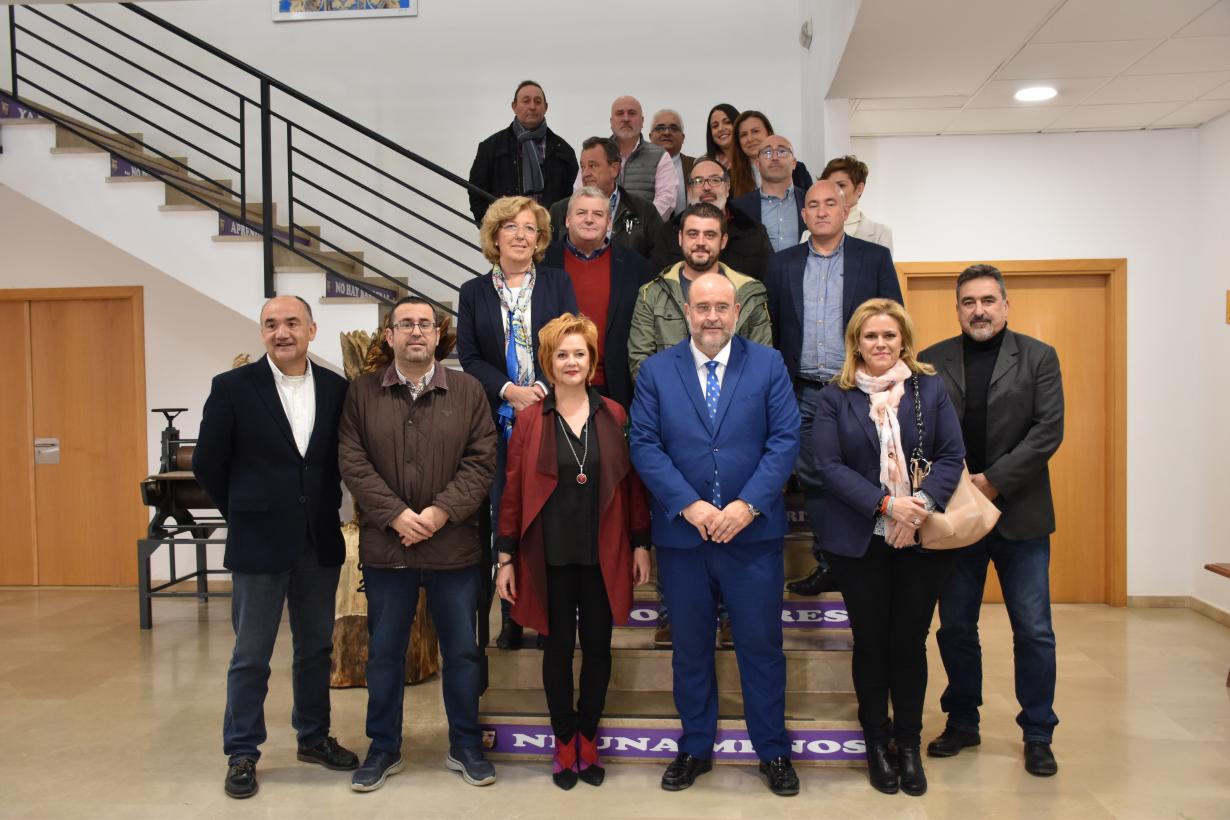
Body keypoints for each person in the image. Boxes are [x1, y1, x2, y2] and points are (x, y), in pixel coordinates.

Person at [629, 272, 801, 797]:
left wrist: (747, 506)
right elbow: (644, 444)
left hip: (752, 538)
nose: (712, 317)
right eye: (702, 307)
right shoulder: (658, 371)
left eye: (721, 307)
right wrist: (691, 506)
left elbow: (785, 439)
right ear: (686, 312)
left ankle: (772, 751)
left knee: (761, 648)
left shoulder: (768, 364)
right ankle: (695, 747)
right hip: (685, 540)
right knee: (691, 649)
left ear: (736, 312)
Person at [194, 295, 358, 799]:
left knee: (316, 650)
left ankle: (313, 737)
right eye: (271, 324)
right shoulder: (232, 388)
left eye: (291, 323)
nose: (281, 332)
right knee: (251, 655)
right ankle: (242, 751)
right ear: (262, 333)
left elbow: (336, 462)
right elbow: (208, 464)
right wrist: (245, 511)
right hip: (257, 543)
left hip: (317, 542)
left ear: (312, 329)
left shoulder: (337, 389)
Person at [339, 296, 498, 791]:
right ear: (389, 336)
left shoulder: (469, 391)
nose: (415, 332)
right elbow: (353, 461)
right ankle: (383, 747)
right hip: (390, 549)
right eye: (404, 324)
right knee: (384, 653)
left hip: (453, 548)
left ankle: (466, 744)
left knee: (463, 652)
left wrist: (438, 512)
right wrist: (396, 517)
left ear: (438, 335)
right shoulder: (362, 394)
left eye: (424, 324)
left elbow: (482, 461)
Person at [810, 298, 965, 797]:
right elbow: (828, 467)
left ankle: (909, 744)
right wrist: (885, 506)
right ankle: (877, 744)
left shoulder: (930, 388)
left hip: (920, 540)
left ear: (904, 341)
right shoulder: (836, 396)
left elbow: (952, 455)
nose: (880, 344)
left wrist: (916, 504)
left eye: (889, 336)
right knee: (872, 644)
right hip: (860, 543)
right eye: (871, 336)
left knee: (909, 644)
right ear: (856, 341)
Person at [495, 313, 652, 790]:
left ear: (592, 360)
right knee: (558, 649)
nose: (571, 362)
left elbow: (630, 487)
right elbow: (515, 489)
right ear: (548, 360)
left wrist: (641, 543)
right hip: (549, 553)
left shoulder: (615, 414)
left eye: (579, 353)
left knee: (600, 649)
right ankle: (564, 740)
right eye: (561, 354)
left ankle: (589, 734)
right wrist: (504, 556)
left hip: (603, 550)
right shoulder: (529, 419)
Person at [921, 264, 1064, 777]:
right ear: (957, 307)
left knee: (1034, 629)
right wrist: (959, 485)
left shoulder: (1039, 358)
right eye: (968, 302)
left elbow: (1048, 430)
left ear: (1006, 305)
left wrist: (993, 481)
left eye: (987, 300)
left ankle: (1039, 732)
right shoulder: (932, 361)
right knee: (956, 626)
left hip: (1019, 515)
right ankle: (962, 721)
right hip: (957, 515)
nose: (978, 310)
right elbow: (924, 433)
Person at [629, 202, 771, 647]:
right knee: (680, 518)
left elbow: (761, 354)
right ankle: (674, 611)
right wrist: (678, 401)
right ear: (681, 238)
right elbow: (640, 359)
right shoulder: (653, 292)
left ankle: (730, 613)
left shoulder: (749, 291)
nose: (701, 242)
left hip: (735, 418)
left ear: (723, 241)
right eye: (693, 233)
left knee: (729, 506)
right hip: (673, 426)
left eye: (710, 234)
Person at [763, 179, 903, 597]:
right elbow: (770, 327)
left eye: (830, 203)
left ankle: (869, 557)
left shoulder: (873, 258)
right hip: (803, 390)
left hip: (859, 389)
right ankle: (831, 563)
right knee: (816, 477)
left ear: (845, 211)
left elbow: (894, 321)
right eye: (813, 205)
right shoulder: (782, 264)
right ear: (802, 216)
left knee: (866, 474)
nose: (822, 211)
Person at [457, 195, 578, 650]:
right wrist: (509, 391)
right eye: (511, 227)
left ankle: (548, 616)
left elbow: (571, 341)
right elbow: (468, 357)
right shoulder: (473, 292)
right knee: (503, 515)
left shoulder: (556, 283)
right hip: (495, 423)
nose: (521, 236)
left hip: (550, 414)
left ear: (541, 238)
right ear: (494, 237)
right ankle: (510, 617)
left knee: (550, 515)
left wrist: (542, 390)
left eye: (530, 228)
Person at [544, 186, 654, 408]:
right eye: (581, 213)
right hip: (555, 384)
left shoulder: (637, 267)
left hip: (616, 387)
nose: (589, 220)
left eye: (598, 214)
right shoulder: (543, 263)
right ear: (567, 220)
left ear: (609, 222)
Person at [468, 80, 579, 224]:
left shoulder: (564, 150)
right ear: (514, 106)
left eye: (538, 102)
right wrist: (493, 229)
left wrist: (562, 233)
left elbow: (575, 197)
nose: (532, 106)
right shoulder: (491, 147)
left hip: (551, 237)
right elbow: (476, 193)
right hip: (507, 235)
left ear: (546, 107)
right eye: (526, 101)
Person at [649, 157, 774, 281]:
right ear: (689, 190)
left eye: (715, 180)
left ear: (728, 187)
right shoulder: (669, 232)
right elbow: (659, 285)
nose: (707, 187)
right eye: (698, 181)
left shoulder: (753, 231)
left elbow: (767, 285)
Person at [549, 137, 661, 260]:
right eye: (583, 167)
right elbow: (548, 258)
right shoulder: (559, 210)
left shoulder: (643, 210)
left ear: (614, 169)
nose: (585, 173)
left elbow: (659, 259)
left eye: (593, 166)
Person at [730, 135, 806, 253]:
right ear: (758, 164)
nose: (775, 157)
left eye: (782, 151)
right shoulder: (738, 207)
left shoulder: (809, 201)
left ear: (794, 163)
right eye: (767, 152)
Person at [609, 96, 676, 218]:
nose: (626, 118)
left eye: (632, 113)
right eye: (620, 113)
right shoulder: (596, 154)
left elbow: (667, 199)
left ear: (642, 121)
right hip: (601, 233)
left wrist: (640, 226)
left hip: (645, 233)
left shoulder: (660, 156)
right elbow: (580, 193)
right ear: (611, 122)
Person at [730, 111, 813, 199]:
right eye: (743, 135)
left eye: (755, 131)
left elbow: (812, 201)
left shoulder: (798, 170)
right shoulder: (731, 178)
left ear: (769, 133)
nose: (750, 139)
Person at [820, 154, 893, 252]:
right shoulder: (808, 234)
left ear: (859, 189)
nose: (834, 191)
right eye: (829, 186)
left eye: (841, 185)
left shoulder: (880, 233)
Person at [649, 108, 693, 218]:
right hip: (649, 232)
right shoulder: (639, 166)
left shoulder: (696, 166)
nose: (667, 133)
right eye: (660, 128)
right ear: (650, 137)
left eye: (673, 128)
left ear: (683, 138)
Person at [704, 103, 739, 172]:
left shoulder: (753, 157)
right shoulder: (703, 164)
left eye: (727, 122)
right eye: (715, 126)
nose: (720, 129)